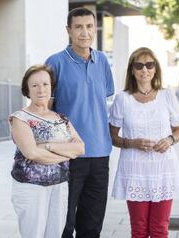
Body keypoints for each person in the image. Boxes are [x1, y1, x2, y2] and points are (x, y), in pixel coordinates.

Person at [45, 7, 114, 238]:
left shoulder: (103, 60)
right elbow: (47, 109)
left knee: (93, 223)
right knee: (65, 222)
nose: (84, 32)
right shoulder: (55, 62)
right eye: (78, 27)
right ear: (69, 30)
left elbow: (101, 100)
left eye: (89, 26)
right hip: (68, 155)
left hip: (100, 153)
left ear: (95, 28)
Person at [108, 47, 179, 238]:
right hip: (135, 170)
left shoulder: (167, 96)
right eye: (139, 65)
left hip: (163, 169)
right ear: (132, 70)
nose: (145, 69)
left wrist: (170, 139)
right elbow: (113, 137)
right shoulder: (122, 99)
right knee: (139, 229)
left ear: (155, 68)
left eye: (149, 64)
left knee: (159, 229)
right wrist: (132, 143)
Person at [9, 64, 85, 238]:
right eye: (34, 85)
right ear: (27, 90)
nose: (41, 89)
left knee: (55, 234)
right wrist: (66, 153)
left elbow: (80, 148)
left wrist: (48, 146)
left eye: (45, 84)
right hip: (31, 187)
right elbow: (32, 154)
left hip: (59, 185)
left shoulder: (61, 119)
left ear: (51, 87)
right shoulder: (20, 118)